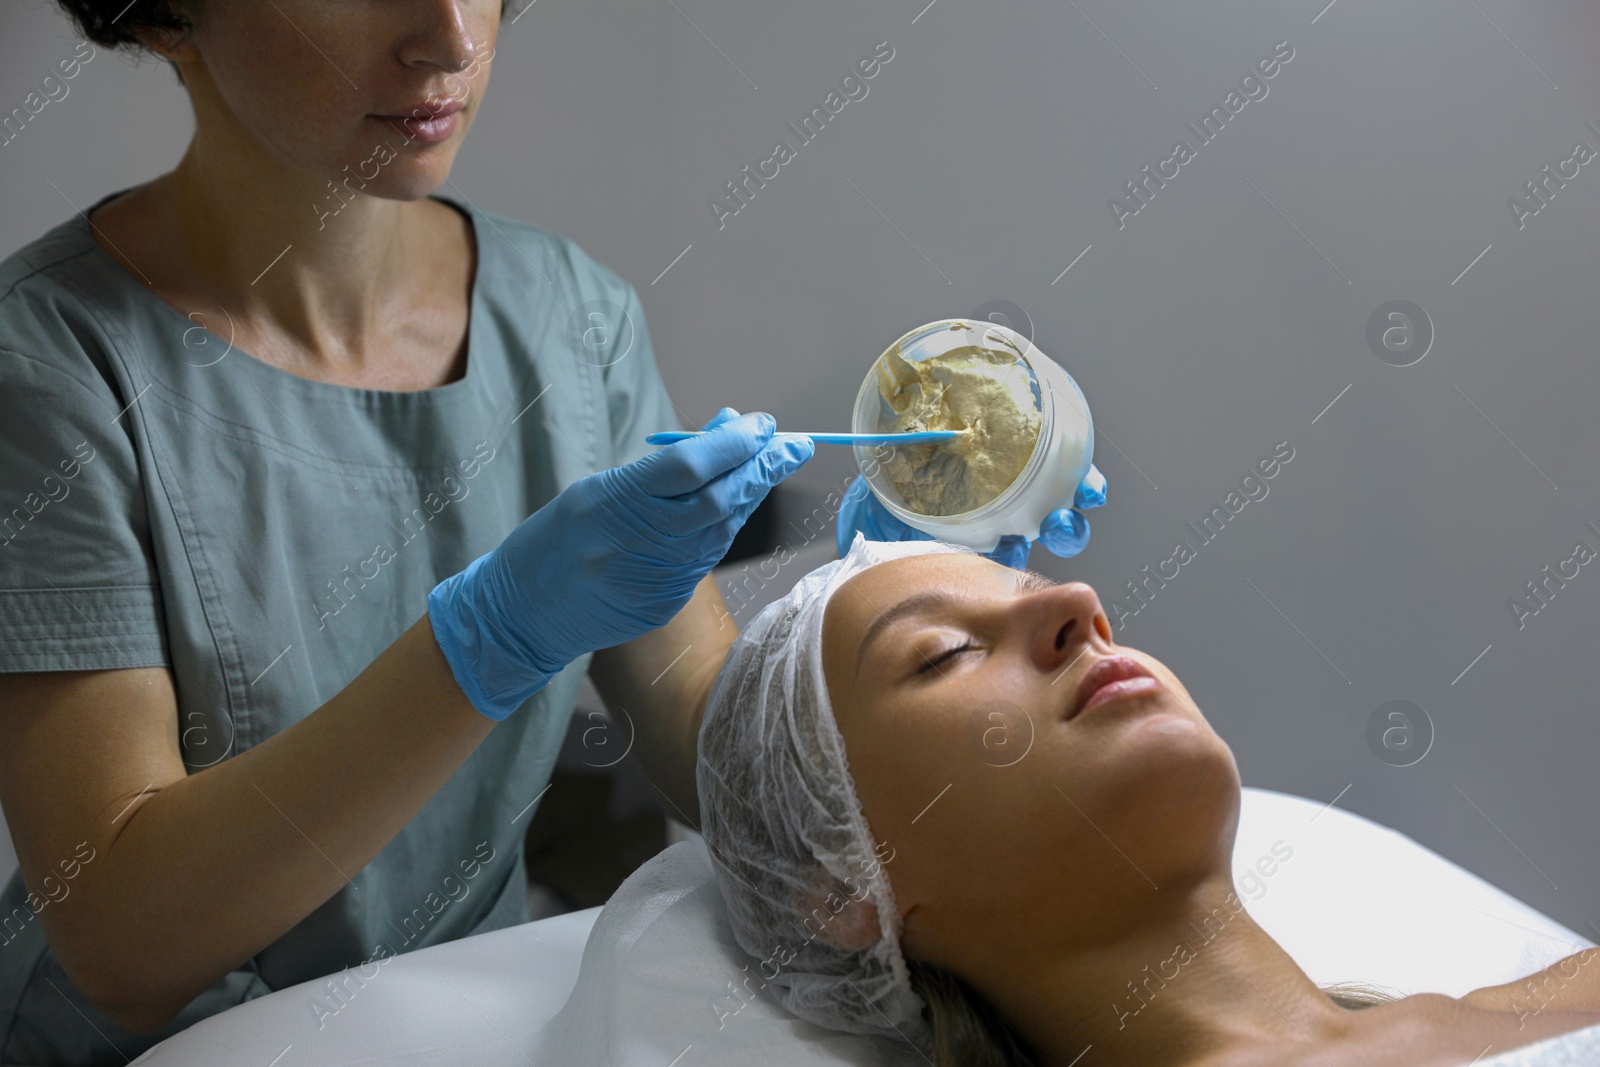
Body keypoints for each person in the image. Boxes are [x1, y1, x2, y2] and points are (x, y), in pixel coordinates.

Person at [0, 2, 1104, 1062]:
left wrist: (895, 572)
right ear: (163, 14)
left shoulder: (571, 318)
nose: (450, 37)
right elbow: (123, 941)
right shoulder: (49, 366)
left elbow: (712, 760)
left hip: (442, 1025)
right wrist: (492, 635)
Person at [696, 534, 1600, 1066]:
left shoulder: (1516, 1010)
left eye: (1045, 592)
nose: (1084, 605)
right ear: (846, 890)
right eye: (943, 653)